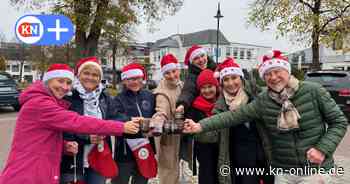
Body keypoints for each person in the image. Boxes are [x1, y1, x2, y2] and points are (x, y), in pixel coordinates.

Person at [183, 50, 348, 184]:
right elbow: (231, 117)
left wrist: (322, 149)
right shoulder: (264, 100)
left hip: (315, 169)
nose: (273, 77)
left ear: (287, 71)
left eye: (277, 72)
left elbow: (339, 122)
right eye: (268, 74)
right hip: (283, 171)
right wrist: (200, 126)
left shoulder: (313, 91)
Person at [0, 64, 140, 184]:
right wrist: (121, 127)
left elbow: (42, 138)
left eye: (68, 83)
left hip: (42, 170)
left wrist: (64, 146)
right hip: (28, 173)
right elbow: (76, 121)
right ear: (47, 81)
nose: (65, 87)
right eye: (60, 81)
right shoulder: (40, 104)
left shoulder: (51, 101)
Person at [212, 57, 273, 184]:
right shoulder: (220, 106)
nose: (230, 83)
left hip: (265, 152)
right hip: (241, 158)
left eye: (234, 78)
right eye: (226, 80)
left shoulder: (257, 94)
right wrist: (196, 131)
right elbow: (213, 129)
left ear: (241, 78)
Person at [60, 57, 119, 184]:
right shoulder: (67, 97)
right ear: (78, 75)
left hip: (99, 156)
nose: (90, 78)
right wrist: (85, 137)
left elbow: (116, 118)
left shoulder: (104, 97)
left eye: (95, 75)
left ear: (99, 78)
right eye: (86, 73)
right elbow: (62, 127)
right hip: (73, 158)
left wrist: (134, 124)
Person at [111, 62, 157, 184]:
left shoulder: (150, 96)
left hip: (146, 147)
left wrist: (155, 126)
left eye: (137, 78)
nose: (135, 82)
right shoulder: (118, 99)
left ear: (142, 78)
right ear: (124, 81)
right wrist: (129, 120)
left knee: (142, 179)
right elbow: (114, 117)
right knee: (120, 180)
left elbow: (156, 116)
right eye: (131, 79)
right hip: (125, 150)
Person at [152, 54, 183, 184]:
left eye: (174, 71)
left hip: (180, 135)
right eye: (167, 73)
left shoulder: (180, 85)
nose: (171, 76)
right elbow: (161, 110)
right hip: (169, 138)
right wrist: (159, 119)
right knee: (168, 172)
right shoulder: (162, 93)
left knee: (176, 168)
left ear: (179, 70)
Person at [187, 69, 220, 184]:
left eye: (210, 86)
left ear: (216, 86)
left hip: (222, 148)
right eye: (203, 87)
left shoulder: (223, 102)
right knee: (206, 176)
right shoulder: (195, 106)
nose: (207, 90)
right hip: (204, 148)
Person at [175, 44, 217, 114]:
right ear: (192, 63)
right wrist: (182, 104)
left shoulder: (216, 70)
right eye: (196, 58)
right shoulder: (192, 77)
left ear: (206, 56)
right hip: (202, 111)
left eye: (202, 56)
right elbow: (188, 91)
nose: (201, 60)